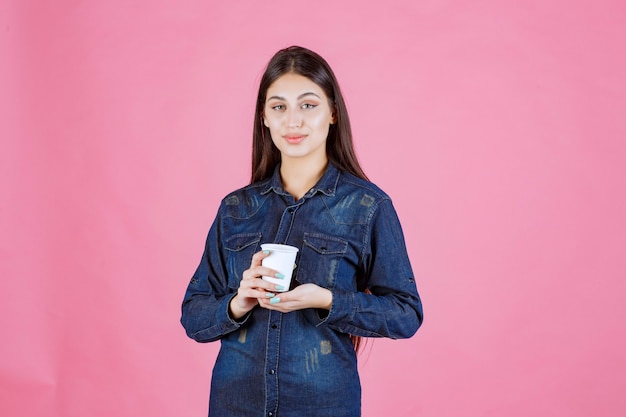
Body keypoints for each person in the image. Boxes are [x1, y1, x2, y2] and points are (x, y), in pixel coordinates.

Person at [181, 45, 423, 417]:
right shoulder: (236, 209)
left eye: (307, 105)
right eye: (279, 107)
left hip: (323, 404)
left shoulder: (367, 206)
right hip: (235, 404)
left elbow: (405, 314)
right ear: (264, 117)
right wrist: (237, 303)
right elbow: (194, 315)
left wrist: (327, 299)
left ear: (332, 114)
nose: (292, 121)